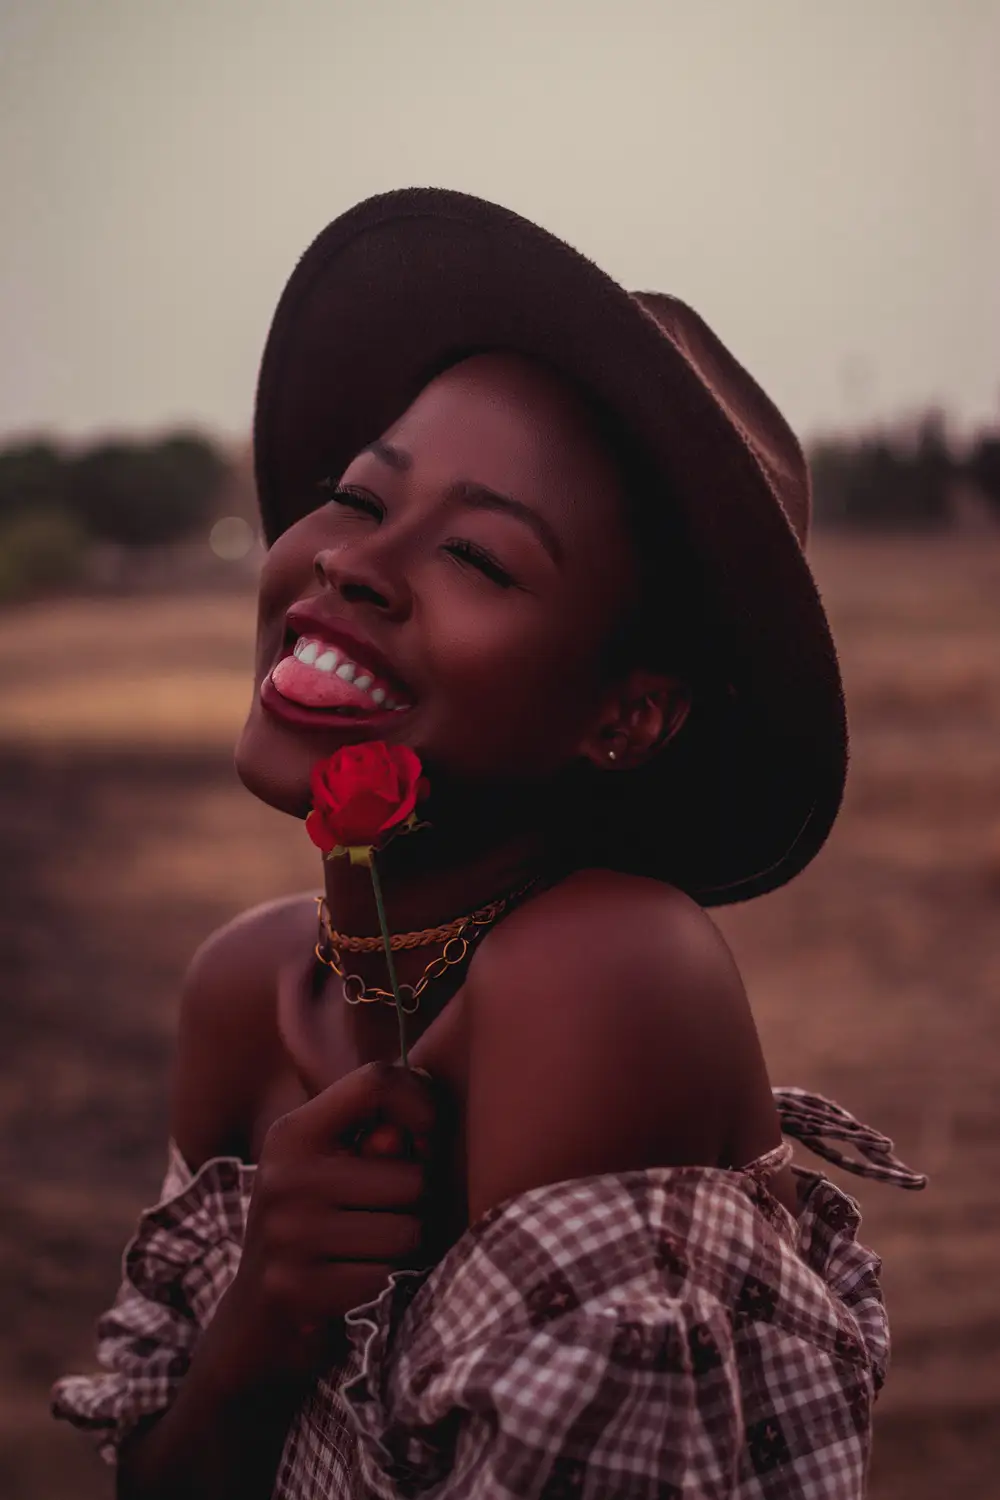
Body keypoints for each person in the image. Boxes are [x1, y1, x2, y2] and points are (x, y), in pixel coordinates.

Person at [52, 188, 925, 1499]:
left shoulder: (608, 973)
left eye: (480, 557)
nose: (351, 563)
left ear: (625, 716)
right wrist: (259, 1327)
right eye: (358, 495)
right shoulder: (246, 986)